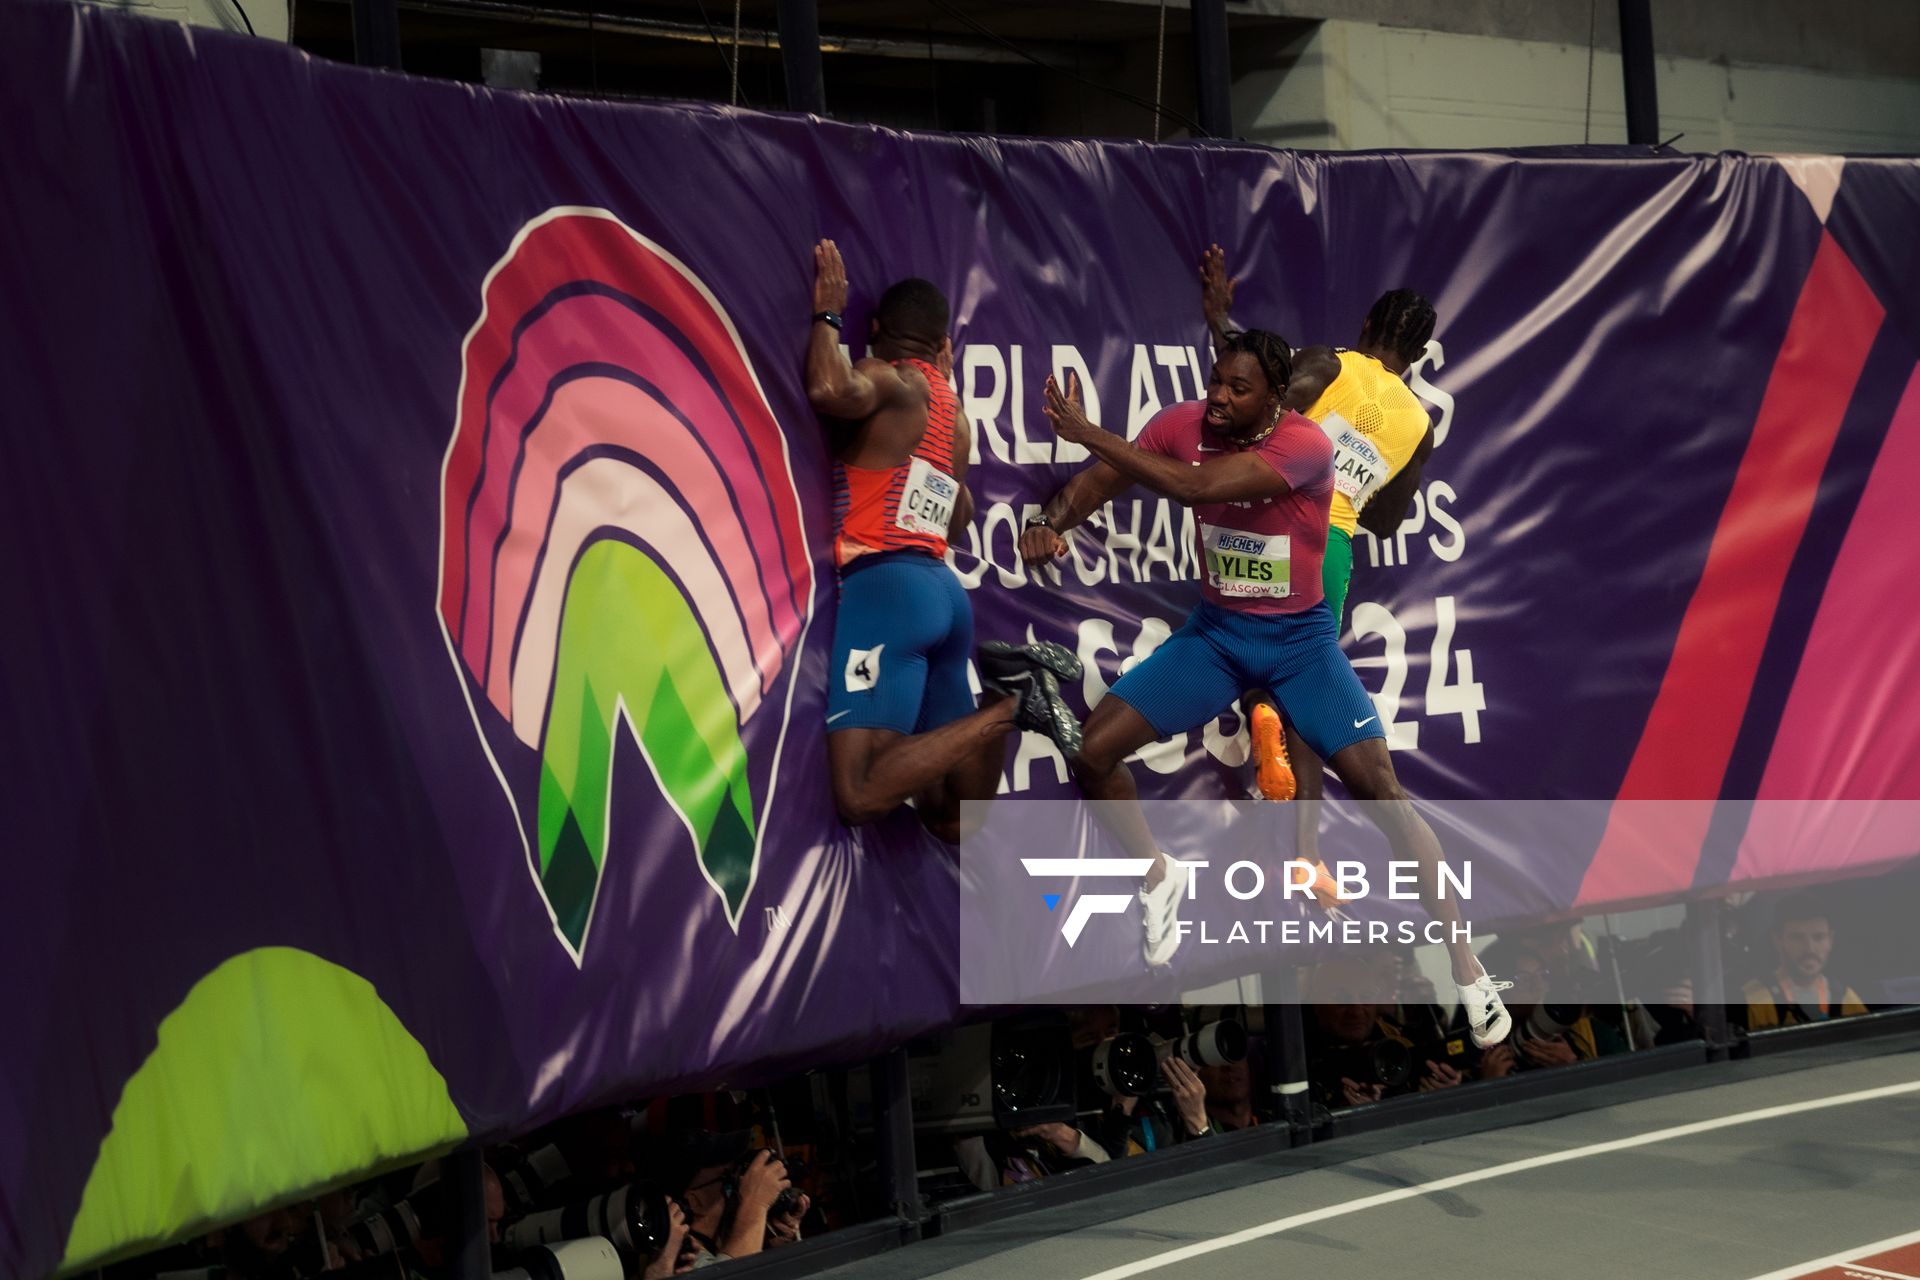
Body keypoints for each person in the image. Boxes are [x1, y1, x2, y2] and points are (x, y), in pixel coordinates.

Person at [1020, 332, 1511, 1046]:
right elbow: (1097, 485)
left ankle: (1468, 969)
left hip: (1300, 648)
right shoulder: (1182, 425)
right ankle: (1158, 875)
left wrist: (1088, 430)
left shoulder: (1306, 446)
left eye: (1237, 390)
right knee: (1094, 751)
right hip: (1217, 637)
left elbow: (1193, 488)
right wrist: (1048, 523)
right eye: (1216, 382)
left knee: (1385, 797)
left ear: (1274, 399)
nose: (1219, 397)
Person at [806, 240, 1078, 842]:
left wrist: (826, 314)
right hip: (943, 593)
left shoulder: (890, 378)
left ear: (876, 330)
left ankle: (1015, 705)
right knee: (953, 816)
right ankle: (1006, 701)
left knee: (858, 791)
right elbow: (958, 518)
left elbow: (828, 391)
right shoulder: (952, 415)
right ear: (943, 346)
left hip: (888, 589)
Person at [1200, 248, 1440, 890]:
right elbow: (1388, 518)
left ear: (1365, 328)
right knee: (1304, 682)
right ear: (1415, 358)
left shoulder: (1332, 362)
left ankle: (1259, 710)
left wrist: (1221, 318)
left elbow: (1263, 396)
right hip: (1331, 544)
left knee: (1239, 643)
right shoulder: (1418, 422)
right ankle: (1307, 854)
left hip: (1268, 517)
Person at [1738, 894, 1868, 1031]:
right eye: (1797, 938)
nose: (1809, 949)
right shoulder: (1753, 999)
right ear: (1777, 940)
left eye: (1819, 937)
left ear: (1831, 940)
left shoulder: (1845, 998)